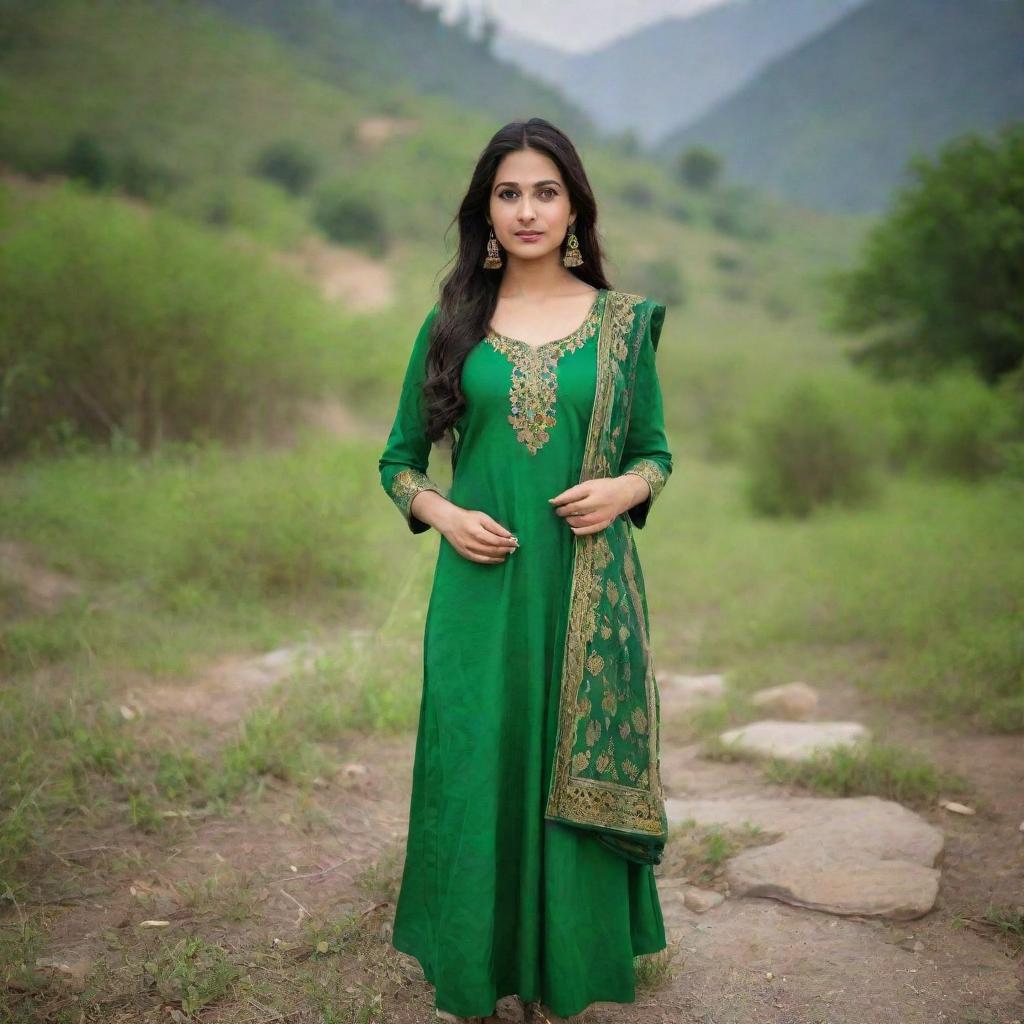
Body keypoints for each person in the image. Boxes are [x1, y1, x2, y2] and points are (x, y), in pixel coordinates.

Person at [377, 117, 673, 1024]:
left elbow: (655, 453)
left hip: (585, 590)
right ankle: (476, 970)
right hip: (481, 593)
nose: (527, 209)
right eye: (509, 193)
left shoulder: (622, 327)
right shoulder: (452, 323)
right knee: (479, 765)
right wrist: (444, 512)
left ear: (575, 205)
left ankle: (566, 975)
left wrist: (624, 488)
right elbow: (398, 462)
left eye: (546, 191)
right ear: (486, 211)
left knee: (561, 764)